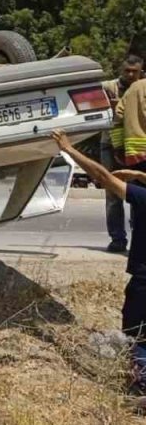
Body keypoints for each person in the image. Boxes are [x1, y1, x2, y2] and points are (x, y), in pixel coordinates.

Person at [53, 128, 146, 396]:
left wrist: (69, 149)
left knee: (138, 337)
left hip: (143, 284)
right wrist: (139, 175)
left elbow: (102, 176)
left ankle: (141, 391)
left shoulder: (142, 198)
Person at [103, 56, 144, 253]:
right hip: (110, 146)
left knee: (139, 197)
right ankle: (118, 239)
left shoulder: (140, 89)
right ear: (121, 69)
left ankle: (139, 239)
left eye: (134, 71)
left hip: (134, 150)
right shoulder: (108, 87)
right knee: (113, 194)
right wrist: (118, 147)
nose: (130, 74)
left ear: (140, 71)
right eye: (127, 70)